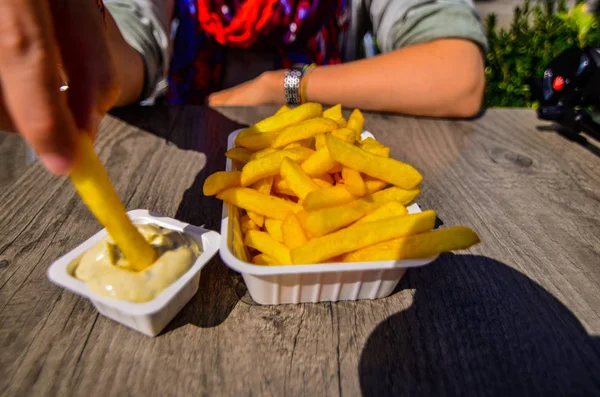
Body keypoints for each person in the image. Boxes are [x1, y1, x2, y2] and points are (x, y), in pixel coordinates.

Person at [0, 0, 486, 175]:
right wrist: (77, 34)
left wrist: (283, 86)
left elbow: (457, 74)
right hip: (173, 171)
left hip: (329, 163)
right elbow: (127, 59)